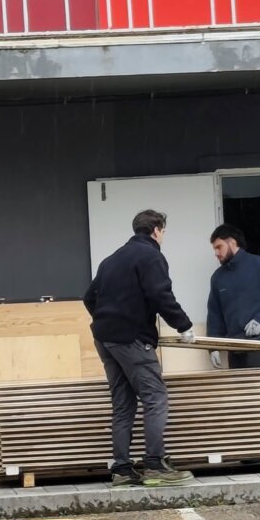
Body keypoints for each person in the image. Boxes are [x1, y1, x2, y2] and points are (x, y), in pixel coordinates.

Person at [84, 209, 196, 488]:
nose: (163, 236)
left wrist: (108, 319)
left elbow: (89, 297)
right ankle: (155, 465)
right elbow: (160, 294)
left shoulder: (111, 260)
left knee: (123, 402)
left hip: (105, 339)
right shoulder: (151, 256)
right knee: (155, 397)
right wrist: (183, 326)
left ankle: (122, 469)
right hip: (132, 338)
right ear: (156, 230)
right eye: (163, 231)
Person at [206, 224, 260, 370]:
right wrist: (212, 347)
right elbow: (215, 315)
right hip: (234, 346)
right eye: (214, 249)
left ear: (232, 243)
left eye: (219, 247)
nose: (216, 253)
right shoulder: (217, 278)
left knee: (259, 385)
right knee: (239, 386)